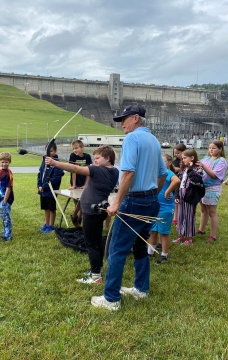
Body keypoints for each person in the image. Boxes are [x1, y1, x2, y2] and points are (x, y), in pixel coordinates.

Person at [90, 103, 167, 311]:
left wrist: (116, 202)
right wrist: (152, 194)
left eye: (124, 119)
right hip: (151, 201)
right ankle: (141, 289)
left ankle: (111, 299)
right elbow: (162, 173)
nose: (121, 123)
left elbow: (128, 173)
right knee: (140, 246)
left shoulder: (132, 138)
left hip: (134, 202)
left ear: (135, 118)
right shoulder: (153, 140)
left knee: (117, 250)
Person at [46, 145, 118, 284]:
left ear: (108, 158)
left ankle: (95, 276)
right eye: (95, 158)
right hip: (99, 211)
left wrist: (54, 162)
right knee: (96, 241)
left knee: (91, 243)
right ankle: (97, 269)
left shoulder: (97, 170)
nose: (95, 160)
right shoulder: (114, 171)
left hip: (91, 212)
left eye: (98, 158)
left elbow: (76, 168)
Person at [148, 154, 181, 264]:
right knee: (153, 231)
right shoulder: (155, 173)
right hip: (154, 206)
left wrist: (167, 191)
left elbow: (176, 181)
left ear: (169, 162)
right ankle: (150, 252)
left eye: (163, 161)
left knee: (163, 232)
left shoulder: (167, 172)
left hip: (165, 207)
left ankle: (164, 255)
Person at [197, 140, 228, 242]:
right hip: (202, 187)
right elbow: (200, 169)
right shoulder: (206, 158)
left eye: (214, 148)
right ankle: (201, 229)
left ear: (220, 149)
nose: (211, 150)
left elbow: (214, 175)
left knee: (212, 212)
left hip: (213, 188)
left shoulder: (222, 161)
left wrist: (203, 166)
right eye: (210, 148)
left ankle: (213, 236)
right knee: (203, 210)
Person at [173, 149, 204, 245]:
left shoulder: (198, 169)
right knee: (181, 216)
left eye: (185, 158)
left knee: (189, 217)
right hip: (182, 195)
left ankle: (189, 237)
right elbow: (179, 183)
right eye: (182, 158)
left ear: (192, 158)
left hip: (190, 197)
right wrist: (177, 195)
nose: (183, 160)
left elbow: (195, 181)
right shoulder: (183, 170)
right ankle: (181, 235)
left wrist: (190, 169)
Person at [37, 143, 64, 234]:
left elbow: (55, 178)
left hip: (51, 190)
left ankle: (51, 226)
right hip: (43, 190)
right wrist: (39, 185)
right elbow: (40, 173)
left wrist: (44, 187)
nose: (49, 153)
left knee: (52, 208)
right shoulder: (44, 160)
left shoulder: (57, 163)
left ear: (55, 151)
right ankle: (46, 224)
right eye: (47, 151)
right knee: (46, 208)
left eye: (51, 151)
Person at [68, 140, 92, 227]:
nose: (75, 150)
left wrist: (85, 184)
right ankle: (75, 219)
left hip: (84, 183)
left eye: (76, 148)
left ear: (82, 148)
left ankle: (79, 220)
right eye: (73, 148)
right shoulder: (72, 156)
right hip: (76, 183)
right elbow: (73, 171)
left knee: (83, 203)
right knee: (78, 203)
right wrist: (74, 185)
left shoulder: (87, 156)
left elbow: (88, 172)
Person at [0, 152, 14, 242]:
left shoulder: (8, 174)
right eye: (2, 162)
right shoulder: (0, 172)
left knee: (6, 218)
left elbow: (8, 189)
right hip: (1, 198)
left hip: (6, 199)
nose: (4, 164)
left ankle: (8, 236)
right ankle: (4, 232)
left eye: (6, 162)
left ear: (9, 162)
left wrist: (4, 201)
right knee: (3, 216)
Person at [172, 143, 186, 226]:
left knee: (179, 201)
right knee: (175, 200)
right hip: (175, 183)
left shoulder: (185, 161)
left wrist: (177, 169)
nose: (176, 155)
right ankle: (175, 218)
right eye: (175, 153)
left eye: (178, 153)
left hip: (182, 183)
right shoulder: (176, 161)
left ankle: (178, 218)